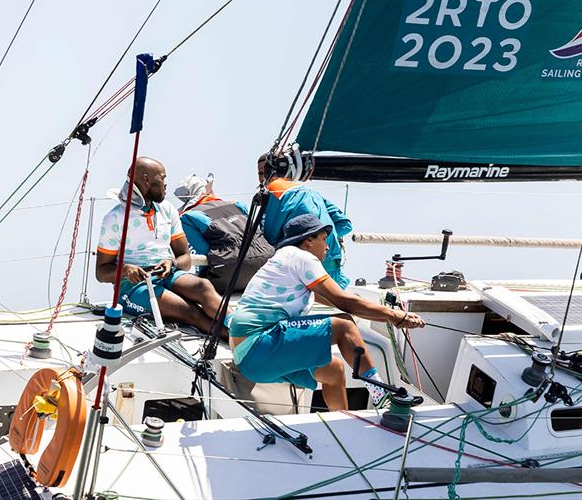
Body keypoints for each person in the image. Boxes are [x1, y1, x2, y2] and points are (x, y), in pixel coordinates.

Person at [226, 214, 424, 411]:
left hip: (248, 359)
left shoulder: (283, 260)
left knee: (334, 371)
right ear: (309, 240)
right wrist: (397, 316)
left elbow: (341, 302)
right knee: (344, 325)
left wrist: (393, 318)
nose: (328, 247)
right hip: (259, 344)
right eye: (324, 239)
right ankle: (382, 397)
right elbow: (346, 304)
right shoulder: (302, 257)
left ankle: (342, 422)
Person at [96, 157, 226, 337]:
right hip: (133, 289)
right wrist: (125, 270)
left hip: (168, 275)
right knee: (190, 311)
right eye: (163, 178)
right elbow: (101, 272)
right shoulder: (115, 218)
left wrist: (171, 262)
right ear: (146, 179)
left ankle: (244, 330)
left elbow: (185, 258)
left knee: (203, 286)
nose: (166, 184)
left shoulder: (168, 210)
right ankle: (240, 341)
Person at [258, 154, 353, 289]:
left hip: (306, 272)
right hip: (333, 271)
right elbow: (345, 224)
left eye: (264, 173)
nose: (262, 178)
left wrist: (308, 239)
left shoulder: (277, 191)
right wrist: (324, 238)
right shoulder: (311, 192)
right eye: (259, 173)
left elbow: (269, 238)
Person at [174, 173, 274, 295]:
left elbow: (201, 251)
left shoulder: (188, 217)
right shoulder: (238, 205)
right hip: (268, 264)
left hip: (230, 271)